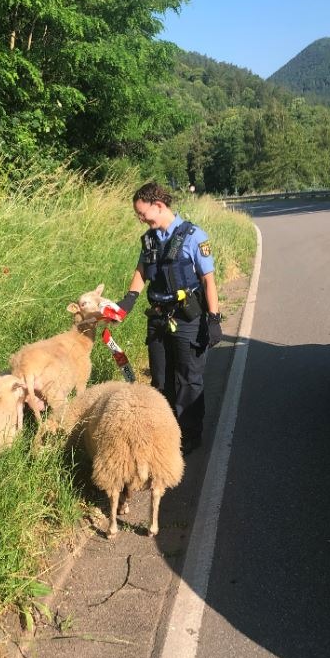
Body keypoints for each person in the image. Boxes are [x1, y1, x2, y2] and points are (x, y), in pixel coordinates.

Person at [117, 181, 223, 456]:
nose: (141, 219)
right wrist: (128, 301)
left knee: (187, 378)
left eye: (143, 214)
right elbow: (141, 271)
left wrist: (213, 319)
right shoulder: (150, 239)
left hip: (187, 318)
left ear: (159, 206)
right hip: (158, 318)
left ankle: (189, 434)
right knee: (161, 380)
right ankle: (165, 432)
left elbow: (208, 281)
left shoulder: (194, 237)